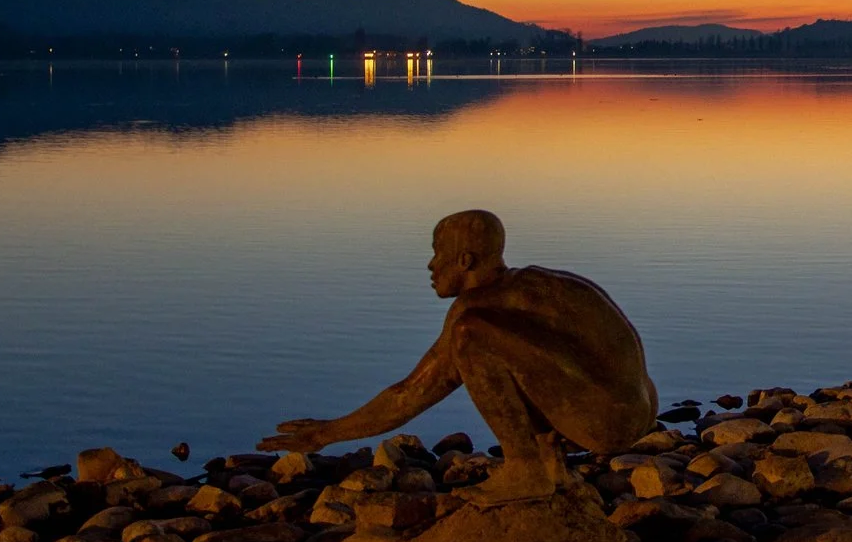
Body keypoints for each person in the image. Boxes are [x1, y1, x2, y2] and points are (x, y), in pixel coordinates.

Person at [261, 209, 658, 502]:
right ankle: (551, 464)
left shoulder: (478, 313)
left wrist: (327, 434)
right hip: (636, 408)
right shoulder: (535, 285)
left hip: (608, 420)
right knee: (506, 350)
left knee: (473, 336)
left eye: (437, 254)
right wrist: (329, 431)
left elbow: (414, 392)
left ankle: (525, 469)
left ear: (465, 261)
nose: (431, 266)